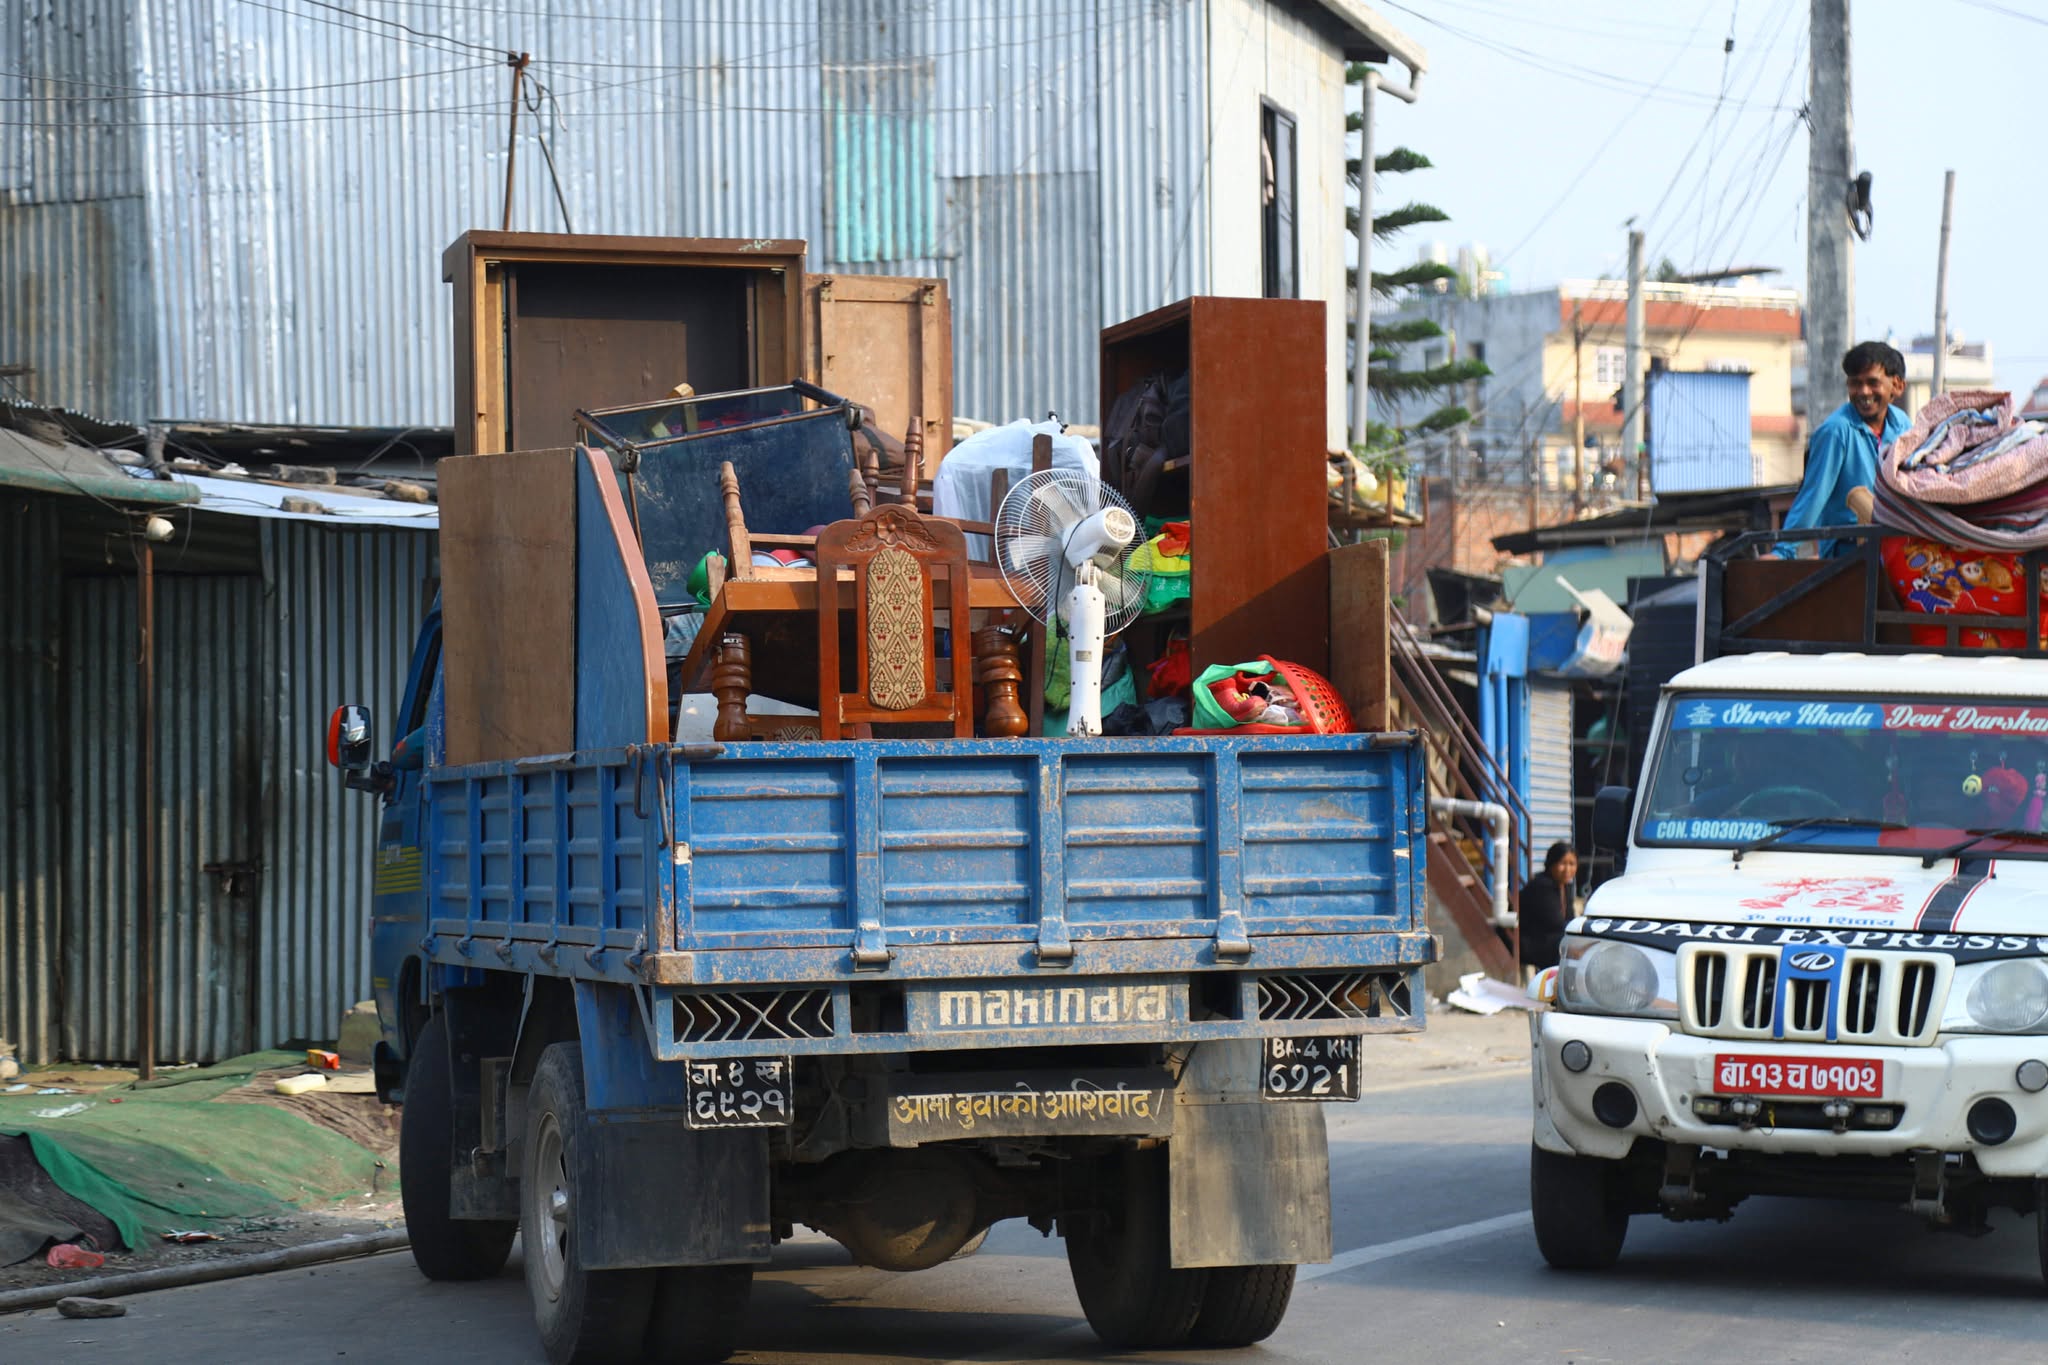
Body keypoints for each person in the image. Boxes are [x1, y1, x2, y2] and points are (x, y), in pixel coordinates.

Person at [1774, 341, 1910, 558]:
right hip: (1848, 553)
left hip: (1892, 547)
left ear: (1897, 385)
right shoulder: (1835, 432)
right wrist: (1783, 551)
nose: (1863, 392)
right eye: (1855, 383)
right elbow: (1812, 495)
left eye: (1872, 382)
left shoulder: (1902, 425)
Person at [1517, 841, 1577, 972]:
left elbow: (1570, 918)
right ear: (1551, 864)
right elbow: (1556, 922)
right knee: (1565, 943)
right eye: (1562, 864)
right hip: (1527, 942)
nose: (1567, 869)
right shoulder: (1542, 886)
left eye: (1571, 864)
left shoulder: (1565, 887)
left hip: (1545, 938)